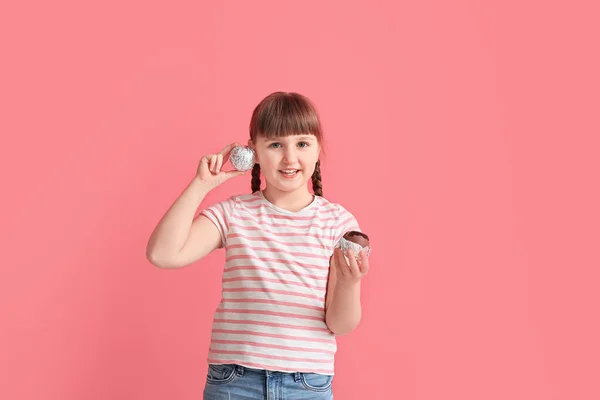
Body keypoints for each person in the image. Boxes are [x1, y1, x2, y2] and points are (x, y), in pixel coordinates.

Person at [146, 92, 370, 399]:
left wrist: (348, 283)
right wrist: (201, 185)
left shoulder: (337, 222)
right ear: (253, 152)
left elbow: (341, 325)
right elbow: (162, 253)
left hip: (306, 385)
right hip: (235, 381)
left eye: (302, 144)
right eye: (276, 144)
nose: (290, 158)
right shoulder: (235, 212)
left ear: (318, 148)